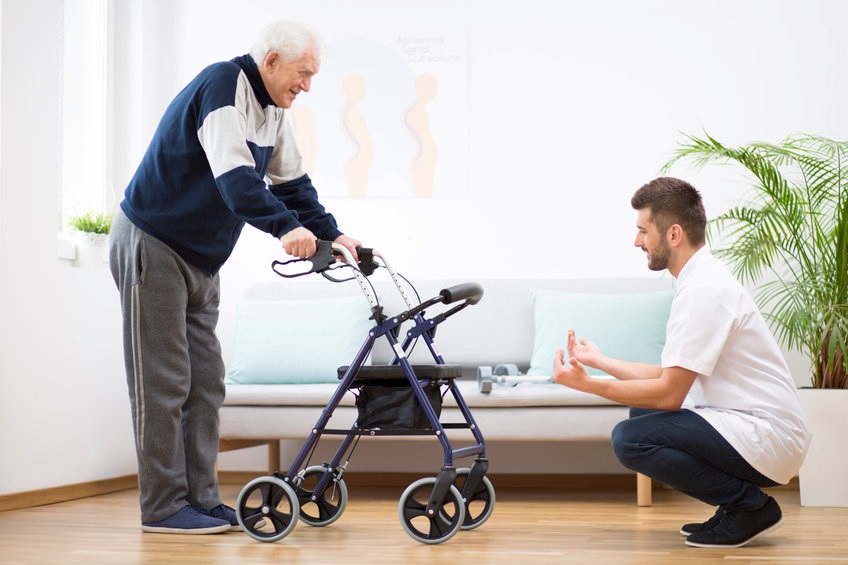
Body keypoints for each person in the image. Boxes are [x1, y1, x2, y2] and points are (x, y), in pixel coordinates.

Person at [109, 20, 361, 534]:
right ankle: (162, 507)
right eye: (303, 73)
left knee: (206, 383)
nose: (307, 86)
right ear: (271, 61)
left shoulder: (272, 112)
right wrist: (286, 231)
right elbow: (237, 181)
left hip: (201, 259)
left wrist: (335, 237)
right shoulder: (223, 86)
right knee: (163, 384)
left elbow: (293, 187)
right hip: (153, 244)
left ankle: (200, 500)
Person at [552, 177, 811, 548]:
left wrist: (587, 384)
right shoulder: (697, 282)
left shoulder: (703, 292)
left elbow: (669, 395)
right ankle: (736, 506)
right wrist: (600, 362)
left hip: (768, 436)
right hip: (748, 424)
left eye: (643, 231)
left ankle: (749, 506)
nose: (636, 241)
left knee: (630, 440)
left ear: (673, 234)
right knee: (640, 419)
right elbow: (669, 375)